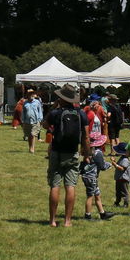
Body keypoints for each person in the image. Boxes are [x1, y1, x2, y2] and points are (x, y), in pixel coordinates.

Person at [43, 86, 85, 228]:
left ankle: (52, 220)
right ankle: (67, 221)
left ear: (62, 98)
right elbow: (86, 136)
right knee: (70, 186)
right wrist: (87, 152)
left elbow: (44, 124)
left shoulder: (55, 113)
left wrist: (54, 108)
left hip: (56, 151)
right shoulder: (80, 113)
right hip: (72, 152)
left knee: (55, 185)